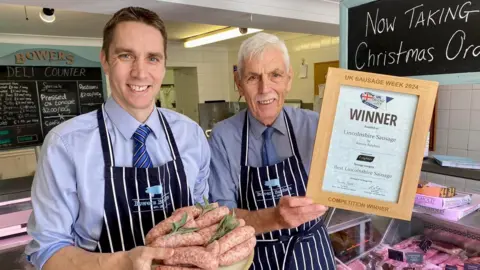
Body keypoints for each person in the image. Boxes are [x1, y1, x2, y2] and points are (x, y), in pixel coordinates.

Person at [25, 7, 210, 270]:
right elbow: (47, 250)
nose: (140, 72)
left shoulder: (191, 135)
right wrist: (122, 262)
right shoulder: (65, 145)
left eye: (153, 58)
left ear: (164, 64)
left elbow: (202, 219)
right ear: (105, 60)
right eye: (126, 56)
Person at [208, 32, 335, 269]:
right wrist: (274, 218)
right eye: (253, 77)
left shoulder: (316, 125)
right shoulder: (222, 137)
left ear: (288, 79)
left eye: (275, 75)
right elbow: (221, 220)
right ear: (239, 83)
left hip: (312, 254)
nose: (265, 88)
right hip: (254, 257)